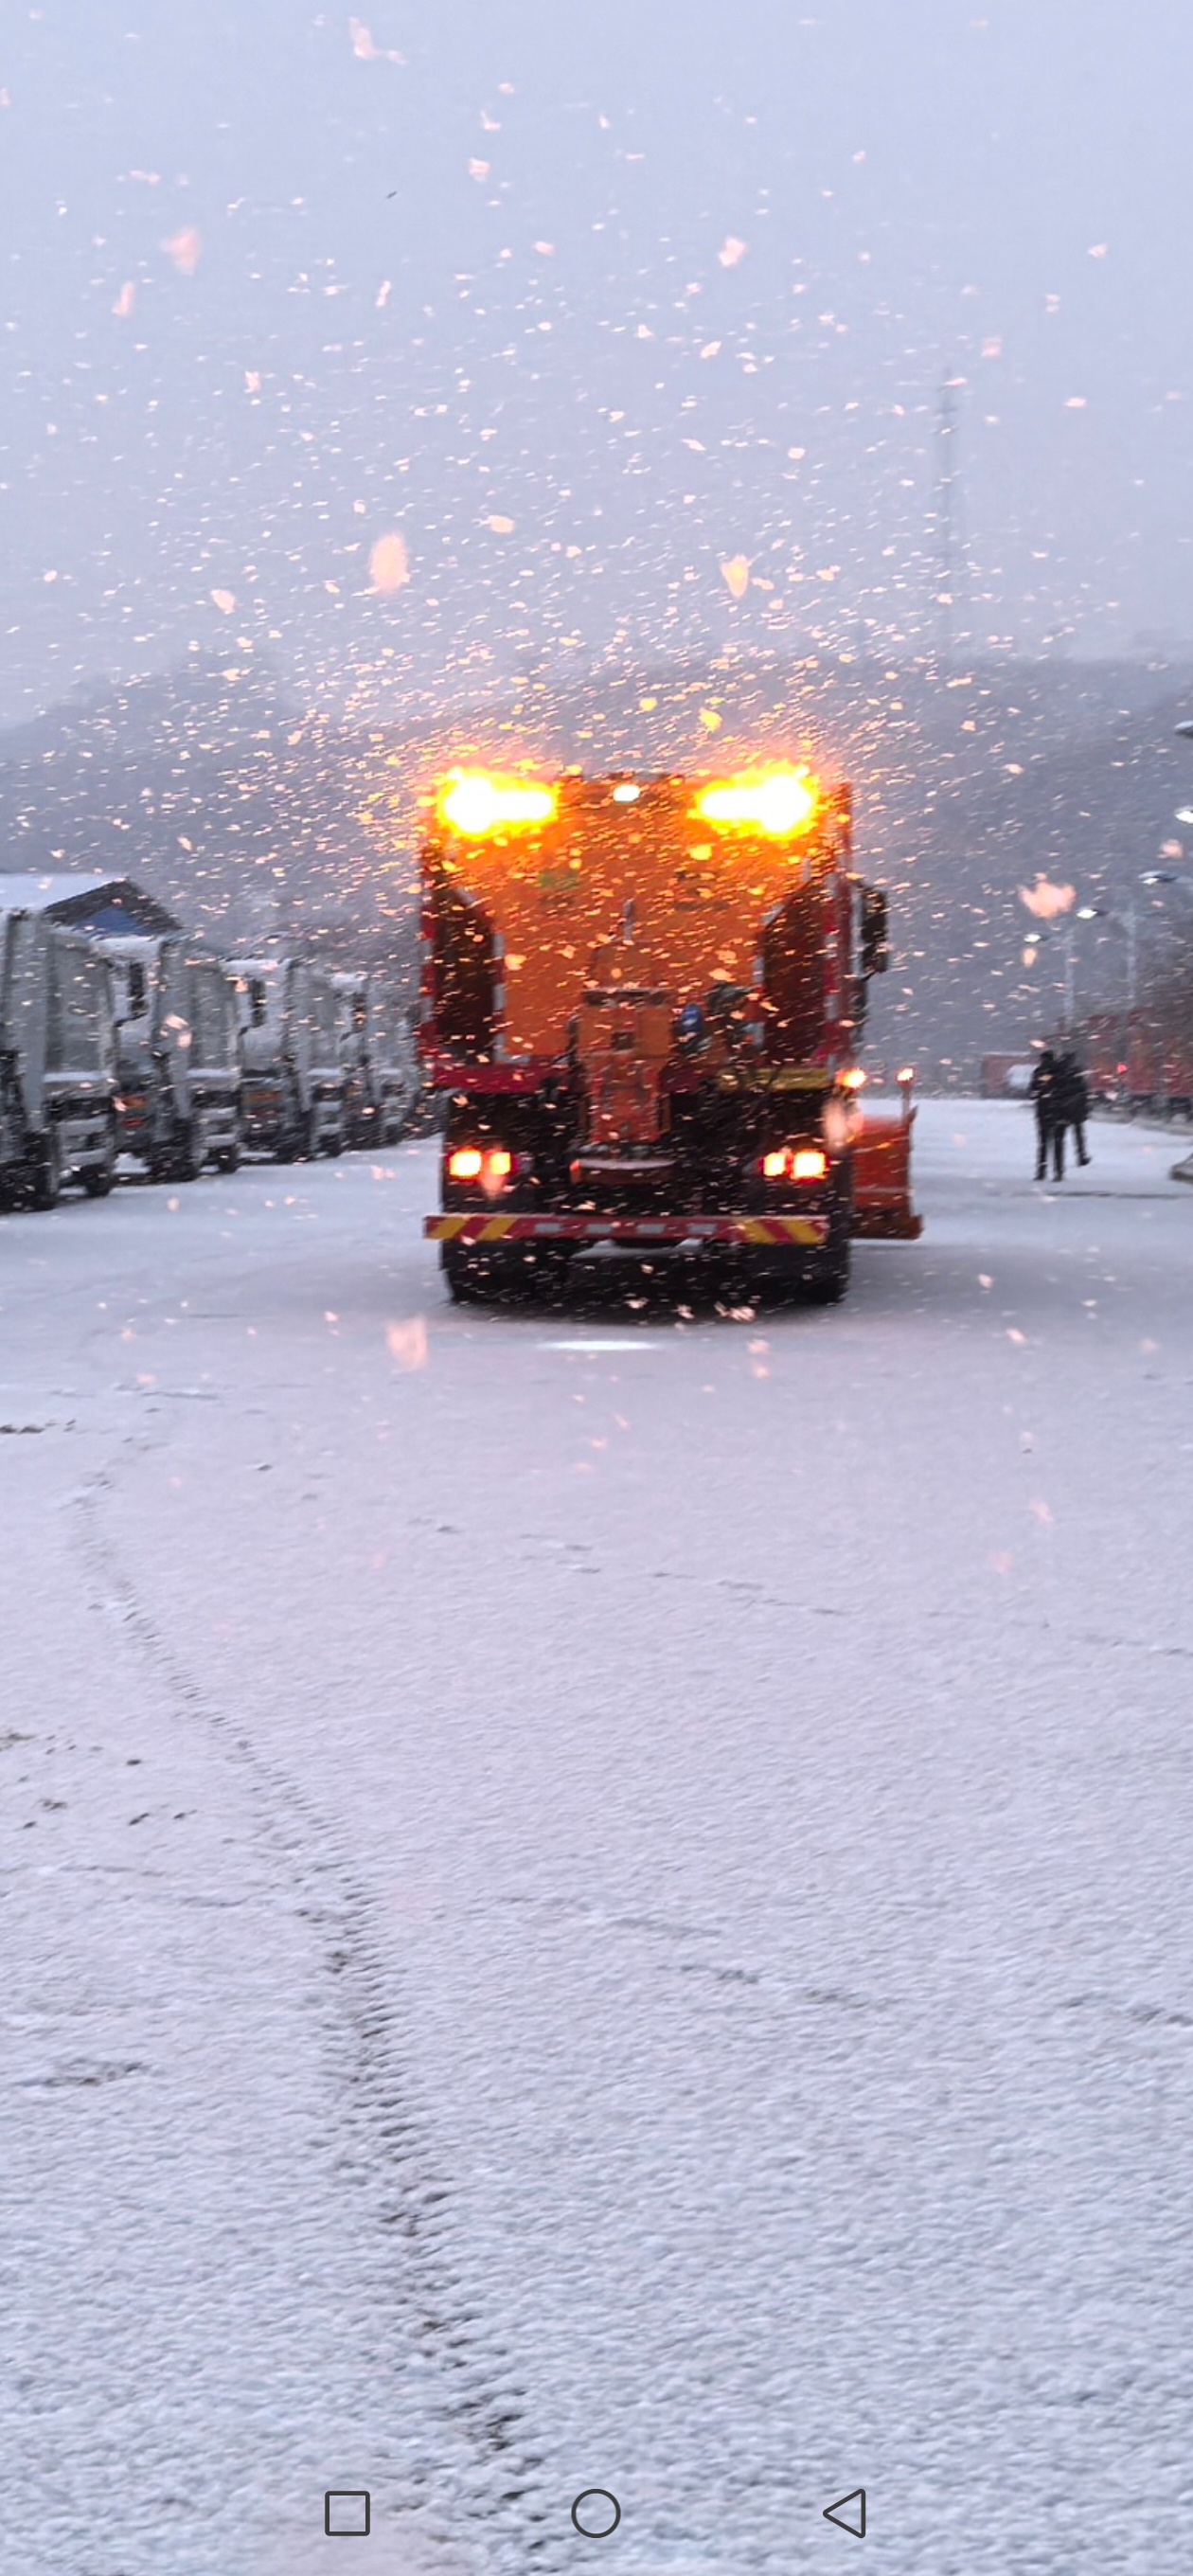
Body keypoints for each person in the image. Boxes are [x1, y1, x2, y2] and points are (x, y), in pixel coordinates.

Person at [1028, 1046, 1064, 1180]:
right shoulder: (1061, 1071)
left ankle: (1041, 1170)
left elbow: (1034, 1089)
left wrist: (1040, 1092)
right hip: (1059, 1110)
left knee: (1043, 1142)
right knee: (1058, 1142)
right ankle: (1058, 1171)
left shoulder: (1040, 1071)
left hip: (1043, 1109)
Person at [1058, 1050, 1091, 1167]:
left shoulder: (1058, 1071)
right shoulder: (1077, 1071)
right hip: (1076, 1108)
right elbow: (1083, 1089)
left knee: (1060, 1136)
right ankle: (1081, 1156)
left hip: (1061, 1108)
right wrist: (1085, 1106)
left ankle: (1059, 1159)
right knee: (1078, 1135)